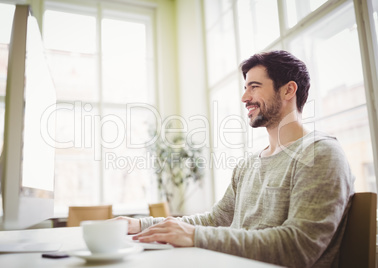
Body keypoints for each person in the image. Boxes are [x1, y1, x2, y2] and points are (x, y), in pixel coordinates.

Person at [115, 50, 354, 267]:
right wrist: (141, 225)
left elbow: (298, 247)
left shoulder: (320, 154)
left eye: (254, 86)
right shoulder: (248, 164)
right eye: (245, 87)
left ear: (288, 90)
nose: (244, 97)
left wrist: (194, 236)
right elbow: (216, 219)